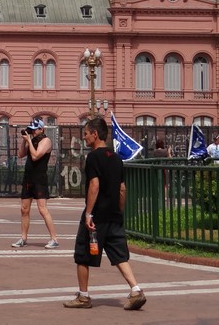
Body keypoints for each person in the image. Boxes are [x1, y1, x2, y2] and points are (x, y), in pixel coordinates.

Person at [64, 116, 146, 310]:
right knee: (119, 255)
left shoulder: (93, 157)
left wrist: (89, 214)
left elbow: (94, 184)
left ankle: (83, 296)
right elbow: (122, 188)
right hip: (114, 214)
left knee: (83, 253)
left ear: (95, 134)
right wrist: (119, 210)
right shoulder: (117, 158)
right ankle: (136, 290)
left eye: (85, 134)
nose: (84, 138)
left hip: (97, 216)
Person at [12, 119, 60, 249]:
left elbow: (36, 156)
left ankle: (54, 238)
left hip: (39, 179)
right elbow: (21, 154)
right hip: (28, 178)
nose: (33, 132)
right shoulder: (31, 141)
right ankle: (23, 238)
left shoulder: (46, 141)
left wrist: (29, 142)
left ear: (41, 129)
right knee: (24, 209)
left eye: (35, 129)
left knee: (42, 209)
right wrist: (24, 140)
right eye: (31, 130)